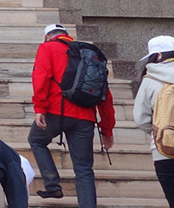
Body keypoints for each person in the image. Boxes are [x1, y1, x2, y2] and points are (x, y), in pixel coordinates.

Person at [28, 23, 115, 206]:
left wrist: (39, 108)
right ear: (67, 36)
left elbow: (40, 77)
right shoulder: (89, 55)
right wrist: (107, 129)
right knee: (84, 169)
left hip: (55, 112)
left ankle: (52, 185)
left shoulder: (48, 47)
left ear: (47, 36)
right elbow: (105, 94)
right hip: (85, 117)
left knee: (36, 140)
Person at [134, 34, 174, 207]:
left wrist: (162, 133)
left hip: (164, 153)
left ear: (159, 55)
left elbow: (141, 119)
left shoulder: (149, 80)